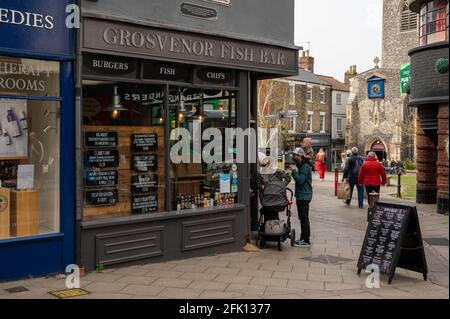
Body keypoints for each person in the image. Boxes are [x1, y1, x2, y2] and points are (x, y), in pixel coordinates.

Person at [257, 152, 291, 221]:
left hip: (276, 197)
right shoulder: (260, 173)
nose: (265, 166)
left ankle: (274, 228)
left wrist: (282, 185)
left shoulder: (276, 171)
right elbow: (258, 183)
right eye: (263, 165)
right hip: (265, 198)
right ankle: (269, 227)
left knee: (274, 214)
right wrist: (261, 187)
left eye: (266, 164)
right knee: (267, 214)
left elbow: (288, 177)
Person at [290, 147, 313, 247]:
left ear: (301, 156)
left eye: (297, 155)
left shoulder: (305, 166)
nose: (295, 156)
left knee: (304, 218)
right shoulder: (301, 165)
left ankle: (306, 240)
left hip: (304, 196)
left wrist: (294, 171)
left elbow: (300, 180)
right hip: (301, 195)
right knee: (302, 218)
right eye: (294, 155)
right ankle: (303, 238)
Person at [358, 151, 387, 219]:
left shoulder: (365, 164)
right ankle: (375, 207)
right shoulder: (378, 164)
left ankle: (371, 206)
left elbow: (361, 174)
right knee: (376, 195)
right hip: (376, 183)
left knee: (369, 195)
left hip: (368, 183)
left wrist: (360, 181)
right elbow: (383, 174)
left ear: (368, 156)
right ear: (374, 157)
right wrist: (383, 182)